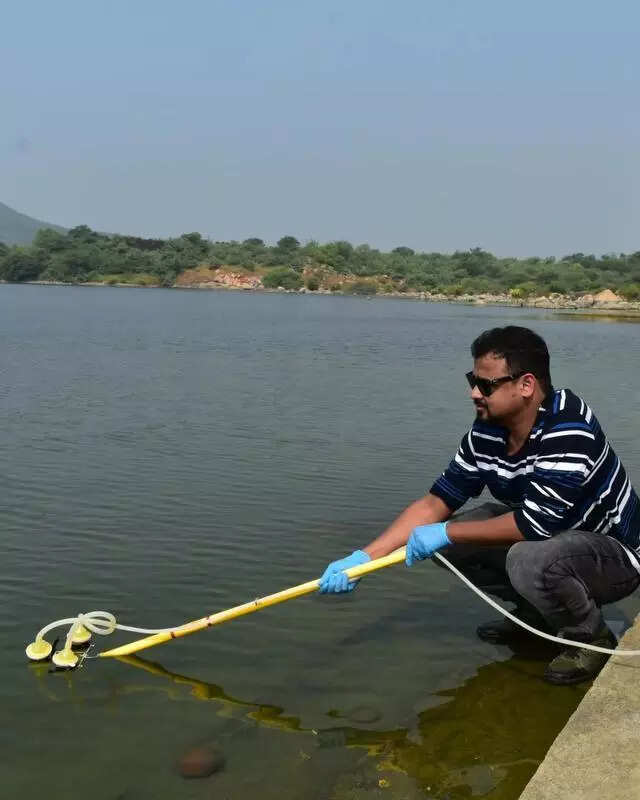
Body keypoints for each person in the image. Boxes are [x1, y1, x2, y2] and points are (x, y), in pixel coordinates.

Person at [319, 326, 640, 685]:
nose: (474, 392)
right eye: (473, 380)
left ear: (526, 385)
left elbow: (534, 525)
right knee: (445, 543)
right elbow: (436, 502)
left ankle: (589, 636)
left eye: (486, 385)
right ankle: (535, 615)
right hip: (555, 540)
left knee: (522, 557)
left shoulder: (568, 426)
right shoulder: (487, 431)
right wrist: (365, 558)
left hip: (616, 557)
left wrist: (446, 532)